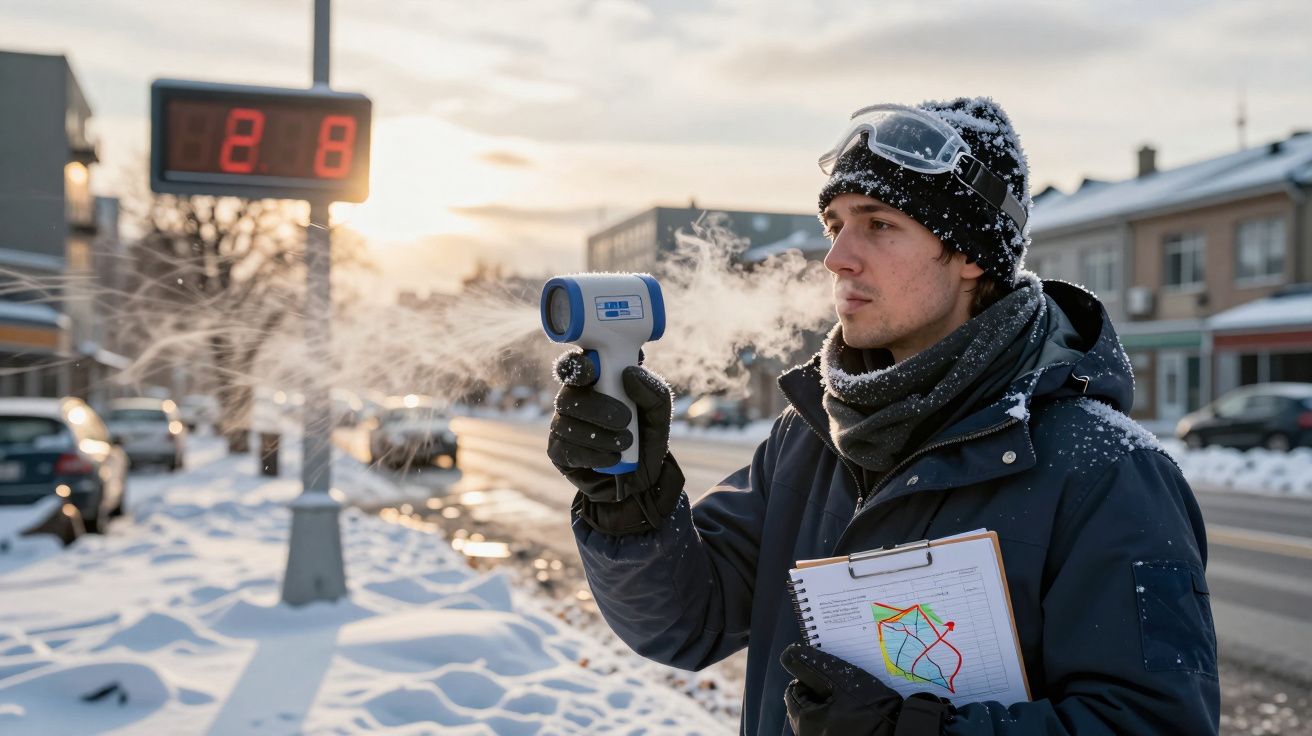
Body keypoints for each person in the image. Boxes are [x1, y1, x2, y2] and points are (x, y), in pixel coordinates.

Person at [547, 97, 1219, 735]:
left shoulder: (1104, 469)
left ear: (972, 255)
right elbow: (686, 622)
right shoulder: (810, 437)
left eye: (878, 223)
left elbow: (1154, 721)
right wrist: (630, 507)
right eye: (835, 224)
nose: (838, 256)